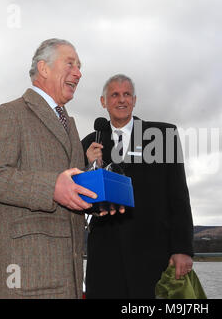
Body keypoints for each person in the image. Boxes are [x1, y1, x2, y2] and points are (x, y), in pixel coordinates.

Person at [0, 39, 101, 299]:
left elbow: (71, 187)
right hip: (26, 281)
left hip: (69, 277)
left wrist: (99, 201)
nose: (78, 73)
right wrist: (50, 187)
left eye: (80, 66)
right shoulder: (9, 113)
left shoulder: (71, 125)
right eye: (70, 63)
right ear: (43, 68)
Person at [82, 74, 194, 298]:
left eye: (126, 94)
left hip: (152, 253)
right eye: (114, 95)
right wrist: (88, 167)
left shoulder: (163, 136)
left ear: (134, 100)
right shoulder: (88, 143)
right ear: (103, 102)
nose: (121, 100)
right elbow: (83, 201)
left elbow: (178, 196)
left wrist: (182, 249)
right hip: (105, 256)